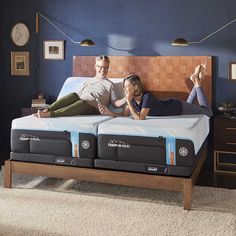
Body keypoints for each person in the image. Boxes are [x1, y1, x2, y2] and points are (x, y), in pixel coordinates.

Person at [98, 62, 213, 120]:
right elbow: (124, 115)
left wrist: (128, 102)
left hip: (178, 107)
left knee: (208, 113)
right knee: (191, 105)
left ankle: (197, 82)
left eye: (126, 86)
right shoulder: (132, 100)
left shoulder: (147, 97)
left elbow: (141, 118)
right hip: (174, 106)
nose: (124, 89)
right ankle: (195, 80)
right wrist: (109, 113)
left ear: (136, 87)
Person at [35, 55, 126, 118]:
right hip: (82, 101)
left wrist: (126, 98)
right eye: (100, 67)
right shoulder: (87, 82)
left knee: (81, 103)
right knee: (73, 95)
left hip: (94, 108)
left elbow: (115, 103)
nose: (103, 70)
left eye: (106, 67)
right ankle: (46, 110)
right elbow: (75, 97)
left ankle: (51, 114)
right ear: (95, 66)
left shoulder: (109, 84)